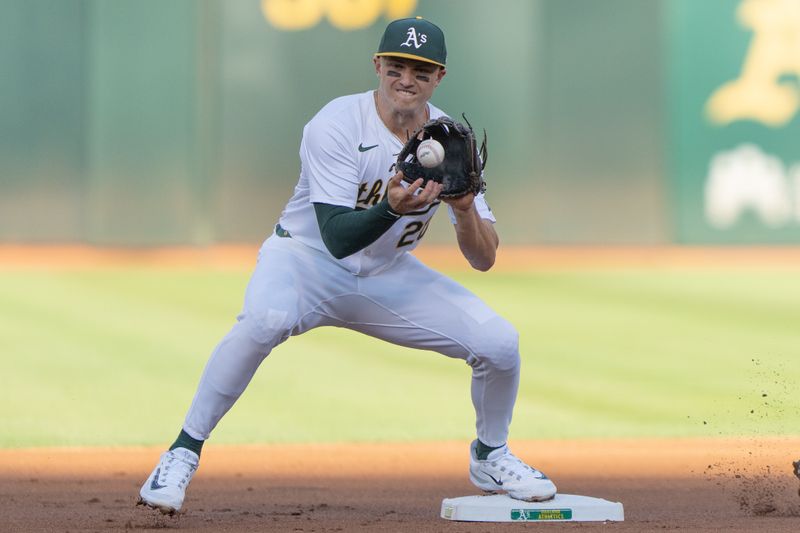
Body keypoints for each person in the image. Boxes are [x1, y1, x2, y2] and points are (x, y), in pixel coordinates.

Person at [137, 16, 557, 515]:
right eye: (397, 65)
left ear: (439, 77)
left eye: (421, 71)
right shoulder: (336, 124)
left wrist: (465, 207)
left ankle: (490, 455)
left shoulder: (450, 139)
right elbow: (336, 239)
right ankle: (182, 452)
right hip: (304, 261)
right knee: (265, 320)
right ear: (378, 65)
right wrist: (390, 208)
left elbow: (484, 258)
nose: (407, 79)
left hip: (388, 274)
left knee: (500, 343)